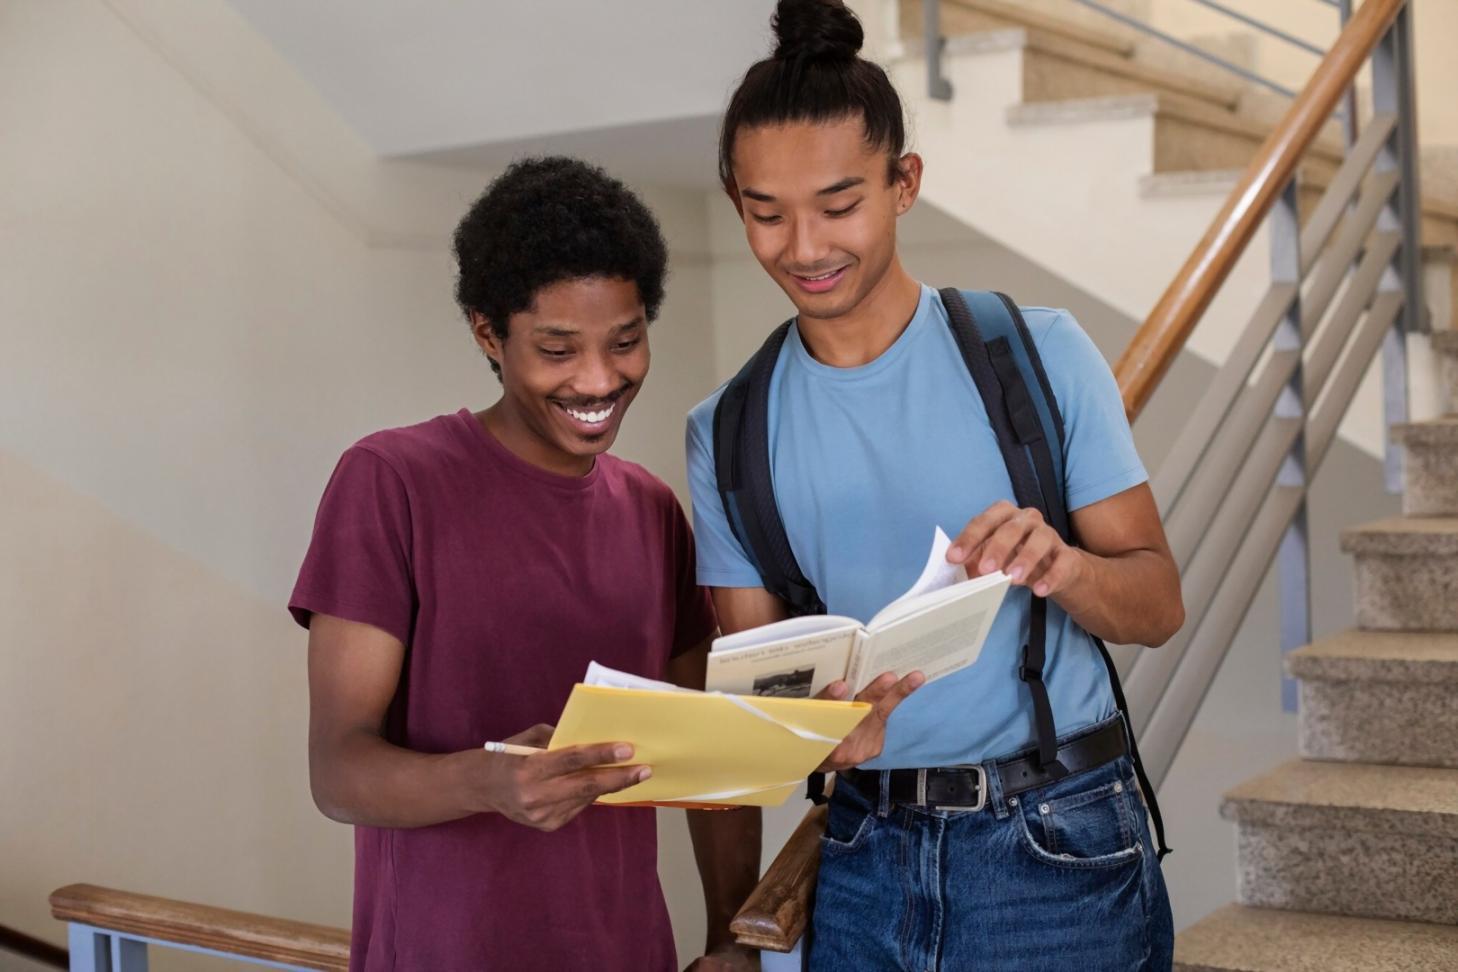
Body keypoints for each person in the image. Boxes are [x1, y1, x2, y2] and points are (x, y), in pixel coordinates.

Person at [685, 2, 1185, 969]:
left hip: (1059, 850)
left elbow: (1156, 607)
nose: (803, 247)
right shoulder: (727, 429)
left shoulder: (1036, 354)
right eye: (765, 212)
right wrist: (817, 732)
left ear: (903, 183)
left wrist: (1065, 567)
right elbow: (760, 692)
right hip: (862, 856)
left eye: (839, 205)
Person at [290, 156, 748, 971]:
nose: (600, 379)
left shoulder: (651, 511)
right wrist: (487, 781)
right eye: (558, 348)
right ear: (488, 334)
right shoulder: (392, 482)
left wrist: (730, 937)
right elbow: (339, 770)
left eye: (626, 341)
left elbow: (707, 754)